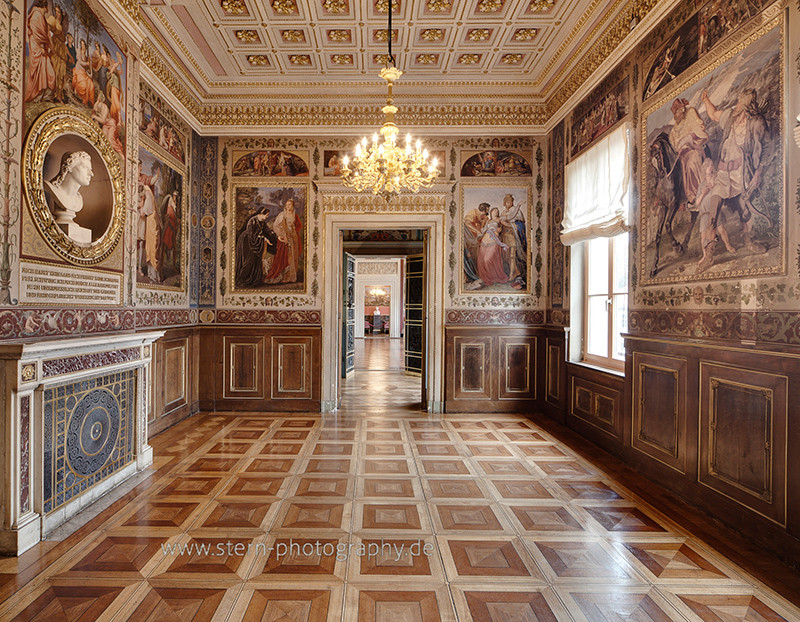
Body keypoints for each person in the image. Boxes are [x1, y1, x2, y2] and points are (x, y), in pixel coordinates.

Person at [701, 87, 768, 259]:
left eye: (740, 103)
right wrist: (706, 100)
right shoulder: (731, 117)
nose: (737, 105)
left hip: (742, 173)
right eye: (738, 101)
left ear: (748, 106)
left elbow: (767, 147)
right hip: (723, 173)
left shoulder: (756, 123)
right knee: (712, 216)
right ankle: (708, 256)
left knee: (745, 211)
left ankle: (749, 241)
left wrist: (758, 173)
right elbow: (714, 114)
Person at [669, 98, 708, 209]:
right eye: (676, 112)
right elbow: (674, 145)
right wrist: (679, 147)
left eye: (680, 110)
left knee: (691, 162)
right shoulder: (674, 129)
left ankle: (698, 194)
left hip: (694, 149)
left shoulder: (691, 113)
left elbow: (700, 129)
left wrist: (690, 137)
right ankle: (686, 199)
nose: (678, 114)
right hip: (681, 156)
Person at [45, 151, 92, 224]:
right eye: (85, 167)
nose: (91, 174)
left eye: (90, 169)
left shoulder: (78, 200)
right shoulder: (52, 188)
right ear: (70, 167)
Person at [235, 208, 277, 288]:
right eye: (266, 215)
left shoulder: (262, 222)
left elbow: (268, 231)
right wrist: (263, 239)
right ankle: (242, 280)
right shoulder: (252, 221)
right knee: (249, 260)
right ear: (261, 214)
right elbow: (251, 235)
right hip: (247, 242)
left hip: (256, 242)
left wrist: (277, 237)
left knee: (256, 260)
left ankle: (254, 280)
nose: (267, 217)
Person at [265, 198, 303, 284]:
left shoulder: (294, 215)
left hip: (293, 237)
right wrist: (282, 235)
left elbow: (297, 226)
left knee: (293, 255)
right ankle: (284, 276)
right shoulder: (282, 214)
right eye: (286, 205)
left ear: (292, 205)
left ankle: (291, 276)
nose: (287, 206)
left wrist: (294, 232)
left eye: (289, 204)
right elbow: (275, 226)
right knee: (286, 255)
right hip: (285, 237)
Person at [25, 0, 56, 102]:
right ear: (45, 6)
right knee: (39, 71)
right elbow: (36, 32)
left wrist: (47, 45)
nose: (48, 10)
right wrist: (40, 46)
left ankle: (45, 96)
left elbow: (44, 34)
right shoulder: (36, 14)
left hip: (42, 49)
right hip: (37, 48)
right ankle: (37, 96)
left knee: (50, 73)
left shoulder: (41, 16)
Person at [476, 208, 509, 287]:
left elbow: (507, 224)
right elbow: (483, 231)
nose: (496, 212)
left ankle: (493, 277)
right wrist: (478, 234)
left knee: (488, 260)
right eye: (494, 211)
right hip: (485, 241)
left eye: (497, 211)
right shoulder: (488, 221)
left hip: (494, 241)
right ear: (491, 212)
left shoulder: (499, 220)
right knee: (481, 261)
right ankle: (486, 278)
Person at [499, 193, 526, 285]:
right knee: (506, 256)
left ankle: (512, 274)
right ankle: (515, 272)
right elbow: (502, 221)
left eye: (510, 202)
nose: (508, 204)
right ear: (504, 203)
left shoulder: (516, 211)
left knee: (512, 255)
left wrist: (518, 206)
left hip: (512, 235)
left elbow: (517, 221)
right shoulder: (503, 212)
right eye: (507, 202)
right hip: (504, 236)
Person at [463, 202, 489, 286]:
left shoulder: (485, 218)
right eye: (486, 210)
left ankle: (476, 274)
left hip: (477, 240)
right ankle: (469, 276)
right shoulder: (473, 212)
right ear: (483, 209)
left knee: (477, 256)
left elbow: (483, 227)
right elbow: (467, 224)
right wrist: (477, 231)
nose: (487, 212)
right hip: (469, 238)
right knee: (470, 256)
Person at [46, 4, 68, 103]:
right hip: (55, 48)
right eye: (56, 12)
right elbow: (47, 28)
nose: (57, 13)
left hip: (62, 50)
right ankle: (51, 94)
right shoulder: (53, 21)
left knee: (61, 73)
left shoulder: (62, 25)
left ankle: (59, 95)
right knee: (54, 71)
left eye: (58, 12)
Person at [71, 39, 95, 106]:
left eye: (83, 44)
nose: (82, 45)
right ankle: (81, 98)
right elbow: (79, 61)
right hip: (78, 70)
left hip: (84, 72)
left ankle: (90, 100)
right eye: (81, 44)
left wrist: (89, 64)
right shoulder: (79, 51)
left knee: (91, 84)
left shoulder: (86, 55)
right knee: (83, 85)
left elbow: (89, 68)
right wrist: (87, 63)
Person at [161, 190, 179, 269]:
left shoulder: (174, 206)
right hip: (169, 227)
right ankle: (162, 265)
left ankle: (173, 265)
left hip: (173, 228)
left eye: (176, 197)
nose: (175, 198)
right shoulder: (170, 206)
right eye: (174, 196)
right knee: (166, 242)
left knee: (173, 245)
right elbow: (170, 215)